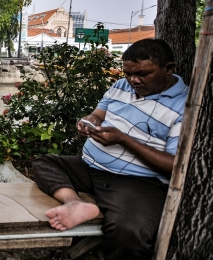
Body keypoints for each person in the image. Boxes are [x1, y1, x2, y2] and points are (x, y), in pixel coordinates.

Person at [31, 39, 188, 260]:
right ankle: (75, 203)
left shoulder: (184, 105)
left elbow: (175, 166)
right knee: (44, 163)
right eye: (128, 73)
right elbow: (98, 114)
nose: (134, 80)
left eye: (143, 74)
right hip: (90, 168)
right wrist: (89, 121)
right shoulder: (121, 86)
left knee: (130, 234)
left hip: (136, 182)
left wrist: (123, 140)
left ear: (169, 69)